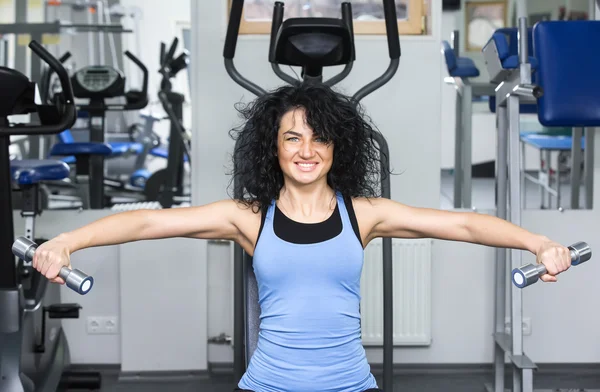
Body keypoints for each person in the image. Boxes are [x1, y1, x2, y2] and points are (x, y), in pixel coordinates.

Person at [32, 83, 572, 392]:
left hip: (350, 385)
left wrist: (537, 242)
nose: (306, 150)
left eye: (319, 139)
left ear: (339, 148)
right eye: (292, 137)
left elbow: (464, 224)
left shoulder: (365, 213)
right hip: (269, 385)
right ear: (274, 148)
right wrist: (67, 242)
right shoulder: (248, 217)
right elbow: (147, 222)